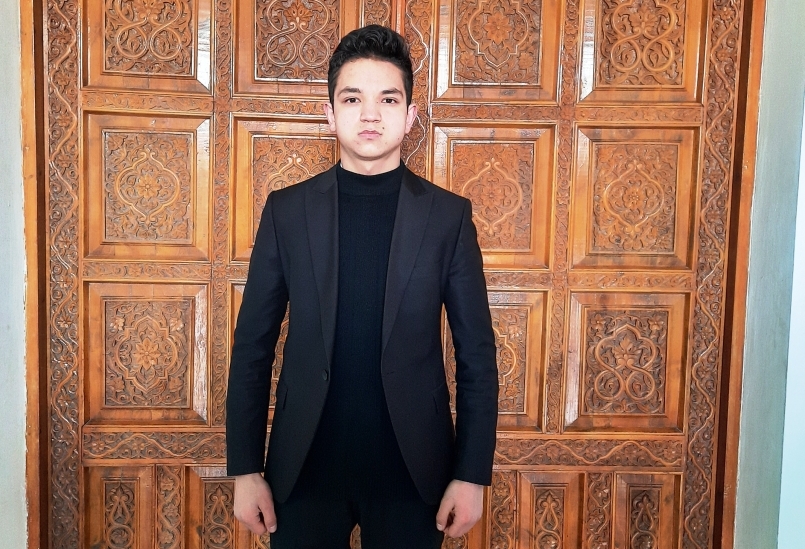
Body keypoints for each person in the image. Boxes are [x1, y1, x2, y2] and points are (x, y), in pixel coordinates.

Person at [226, 24, 498, 549]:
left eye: (387, 99)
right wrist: (245, 469)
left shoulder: (448, 217)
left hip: (414, 473)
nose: (370, 114)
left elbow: (477, 356)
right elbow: (253, 346)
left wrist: (471, 475)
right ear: (330, 113)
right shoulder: (287, 212)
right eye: (352, 99)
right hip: (302, 469)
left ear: (410, 115)